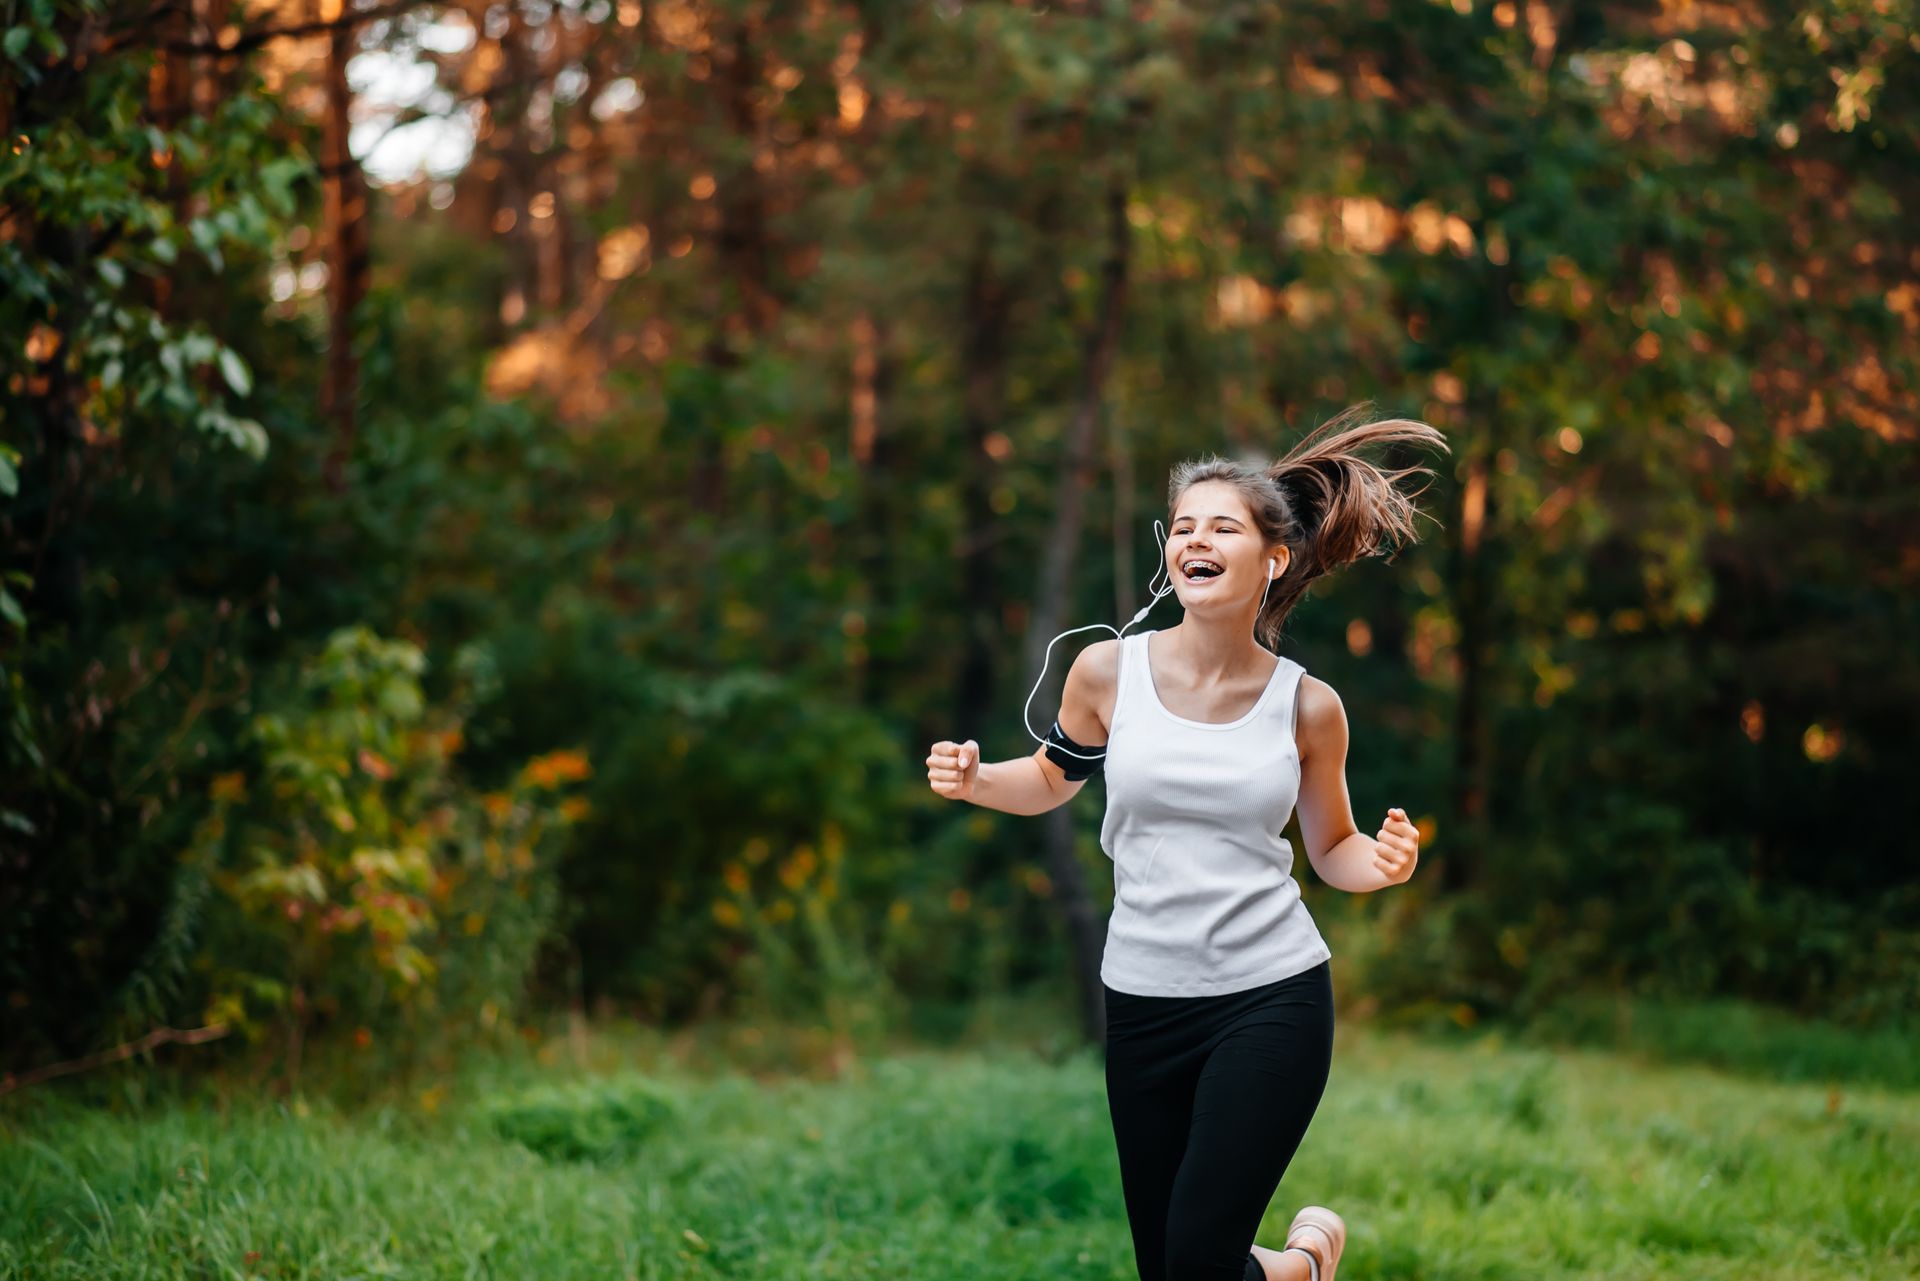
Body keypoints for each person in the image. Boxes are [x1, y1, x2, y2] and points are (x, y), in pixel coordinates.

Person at [925, 406, 1446, 1281]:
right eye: (1185, 526)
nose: (1194, 539)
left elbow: (1333, 847)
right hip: (1142, 1000)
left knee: (1199, 1263)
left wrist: (1383, 862)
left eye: (1223, 527)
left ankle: (1289, 1268)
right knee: (1172, 1271)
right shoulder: (1107, 672)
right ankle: (1299, 1270)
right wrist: (980, 778)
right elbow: (1053, 778)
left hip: (1269, 995)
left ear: (1272, 560)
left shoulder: (1308, 706)